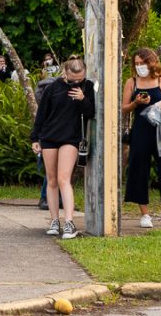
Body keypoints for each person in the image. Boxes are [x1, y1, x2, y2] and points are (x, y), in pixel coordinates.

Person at [30, 56, 95, 239]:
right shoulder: (52, 88)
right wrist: (35, 138)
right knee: (51, 179)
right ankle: (54, 220)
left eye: (80, 79)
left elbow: (91, 113)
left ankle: (69, 222)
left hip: (71, 138)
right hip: (50, 136)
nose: (76, 82)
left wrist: (83, 99)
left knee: (63, 178)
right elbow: (41, 115)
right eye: (73, 79)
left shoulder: (87, 87)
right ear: (65, 72)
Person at [123, 47, 161, 227]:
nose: (139, 66)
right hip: (141, 129)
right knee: (139, 169)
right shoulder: (131, 82)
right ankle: (144, 214)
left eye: (143, 63)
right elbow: (123, 108)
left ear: (151, 62)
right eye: (136, 63)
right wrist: (136, 103)